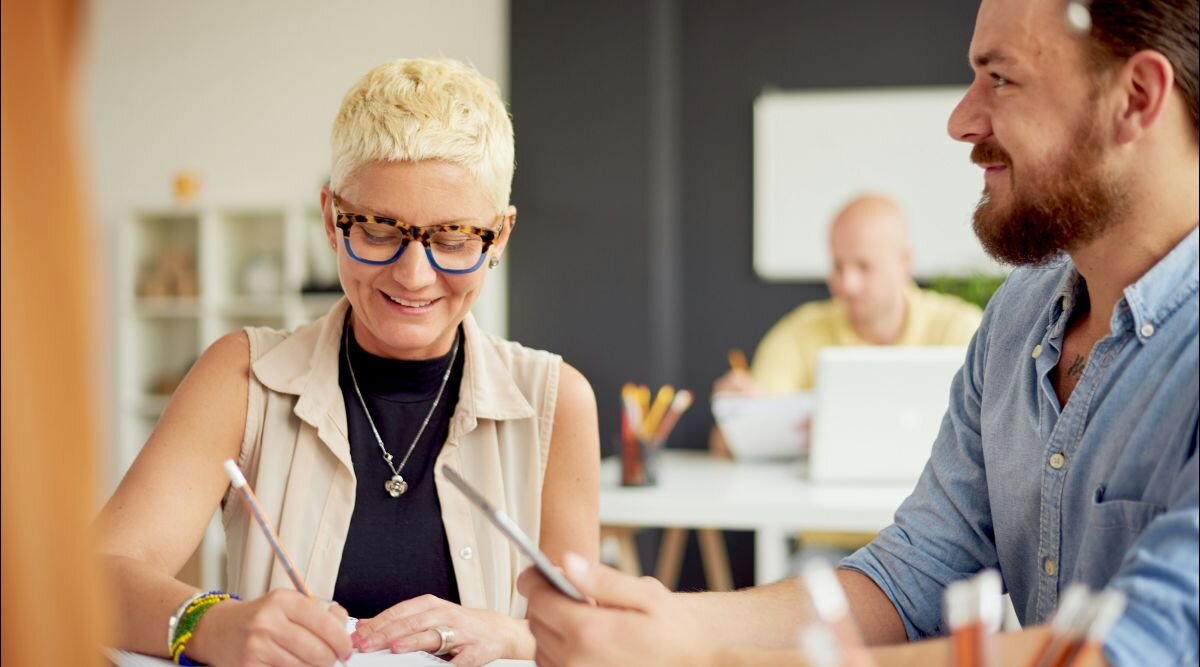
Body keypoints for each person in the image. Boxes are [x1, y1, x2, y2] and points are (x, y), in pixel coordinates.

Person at [520, 0, 1199, 665]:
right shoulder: (1016, 320)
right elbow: (914, 574)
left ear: (1135, 97)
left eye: (1001, 78)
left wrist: (707, 658)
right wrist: (663, 616)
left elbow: (1149, 641)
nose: (962, 120)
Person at [97, 58, 600, 667]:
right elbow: (97, 579)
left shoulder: (555, 401)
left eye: (452, 239)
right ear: (333, 221)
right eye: (380, 231)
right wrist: (209, 622)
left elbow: (587, 638)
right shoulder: (242, 378)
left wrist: (513, 638)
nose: (414, 277)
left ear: (500, 237)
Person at [710, 194, 982, 456]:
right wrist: (739, 418)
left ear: (905, 261)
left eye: (864, 266)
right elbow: (723, 442)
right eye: (838, 266)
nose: (847, 284)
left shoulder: (960, 330)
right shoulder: (799, 332)